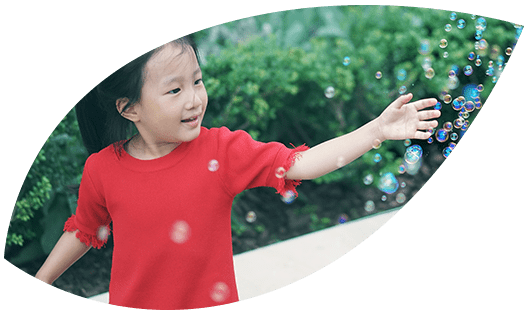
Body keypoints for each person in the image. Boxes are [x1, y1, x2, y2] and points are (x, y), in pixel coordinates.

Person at [34, 34, 440, 310]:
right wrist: (43, 280)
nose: (194, 99)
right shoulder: (103, 169)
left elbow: (303, 164)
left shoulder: (221, 151)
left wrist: (376, 131)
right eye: (175, 90)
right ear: (129, 108)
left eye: (197, 81)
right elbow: (84, 230)